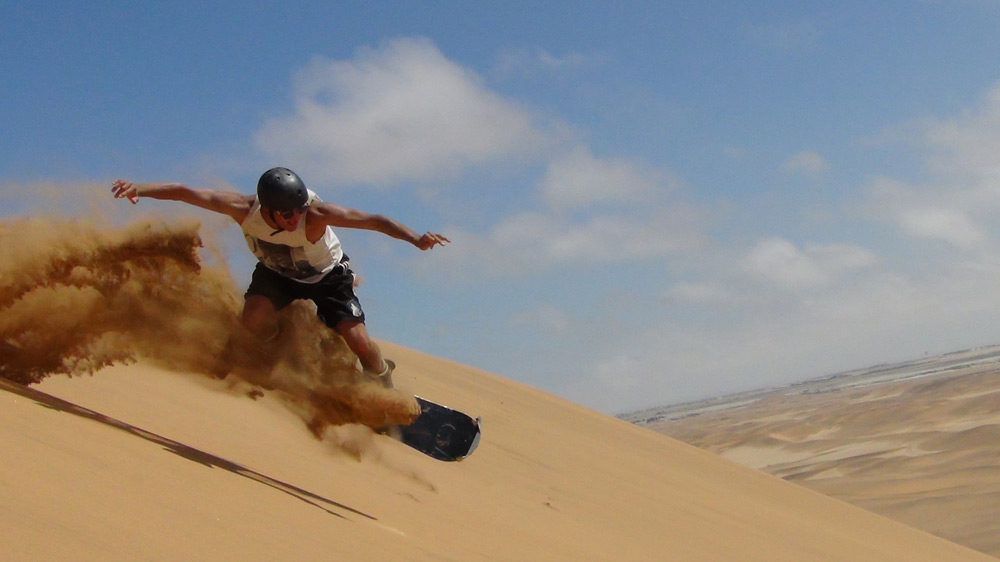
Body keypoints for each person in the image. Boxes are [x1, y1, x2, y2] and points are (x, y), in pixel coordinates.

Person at [111, 167, 449, 388]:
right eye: (286, 213)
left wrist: (416, 238)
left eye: (299, 210)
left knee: (357, 339)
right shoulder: (244, 210)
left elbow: (374, 220)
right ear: (268, 208)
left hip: (328, 277)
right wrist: (140, 187)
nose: (294, 218)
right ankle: (225, 366)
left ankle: (380, 376)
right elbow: (185, 191)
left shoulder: (315, 215)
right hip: (275, 274)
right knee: (252, 318)